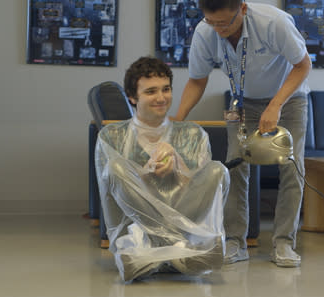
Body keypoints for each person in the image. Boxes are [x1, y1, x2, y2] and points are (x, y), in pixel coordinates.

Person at [173, 0, 311, 267]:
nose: (219, 30)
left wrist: (276, 105)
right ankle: (235, 241)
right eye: (212, 23)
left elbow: (303, 65)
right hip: (241, 102)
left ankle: (284, 242)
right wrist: (177, 120)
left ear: (243, 9)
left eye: (225, 23)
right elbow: (197, 80)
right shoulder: (205, 31)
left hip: (288, 99)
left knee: (292, 168)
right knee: (234, 166)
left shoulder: (274, 23)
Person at [95, 56, 230, 281]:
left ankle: (153, 256)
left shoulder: (192, 134)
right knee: (115, 167)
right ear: (132, 97)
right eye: (150, 92)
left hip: (183, 216)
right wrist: (145, 174)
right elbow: (111, 194)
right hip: (137, 228)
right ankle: (175, 251)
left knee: (218, 170)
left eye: (166, 89)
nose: (161, 98)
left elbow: (199, 190)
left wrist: (178, 168)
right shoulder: (111, 136)